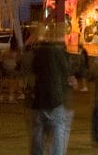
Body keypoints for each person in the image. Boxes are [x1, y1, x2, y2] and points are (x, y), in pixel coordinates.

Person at [25, 24, 74, 155]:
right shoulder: (59, 53)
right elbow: (67, 76)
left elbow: (30, 76)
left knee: (37, 136)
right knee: (58, 133)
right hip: (56, 101)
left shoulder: (36, 53)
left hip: (38, 102)